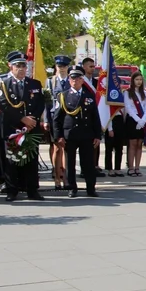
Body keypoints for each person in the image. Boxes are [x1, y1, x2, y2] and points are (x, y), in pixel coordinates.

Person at [0, 51, 46, 202]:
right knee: (12, 161)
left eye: (24, 66)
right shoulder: (3, 84)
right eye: (17, 66)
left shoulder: (34, 83)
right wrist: (22, 119)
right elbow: (3, 104)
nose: (21, 69)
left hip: (31, 127)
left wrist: (33, 120)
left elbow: (40, 103)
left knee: (31, 159)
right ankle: (12, 190)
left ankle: (32, 190)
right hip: (13, 128)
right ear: (10, 66)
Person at [52, 66, 101, 198]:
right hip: (70, 134)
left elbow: (95, 117)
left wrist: (97, 135)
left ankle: (90, 188)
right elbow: (57, 119)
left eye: (78, 78)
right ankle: (71, 187)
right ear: (69, 80)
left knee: (88, 163)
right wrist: (58, 136)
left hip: (86, 134)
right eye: (73, 78)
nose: (75, 81)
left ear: (82, 80)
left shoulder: (89, 96)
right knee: (70, 162)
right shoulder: (63, 96)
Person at [47, 55, 71, 188]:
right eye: (59, 66)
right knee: (56, 148)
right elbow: (47, 103)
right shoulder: (50, 82)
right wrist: (45, 120)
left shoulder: (71, 80)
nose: (62, 69)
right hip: (54, 118)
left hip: (68, 118)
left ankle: (66, 177)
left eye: (64, 66)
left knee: (66, 148)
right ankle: (57, 177)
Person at [81, 57, 106, 177]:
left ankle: (94, 166)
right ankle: (84, 168)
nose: (93, 68)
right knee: (84, 144)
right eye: (90, 66)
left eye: (94, 66)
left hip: (96, 114)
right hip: (84, 115)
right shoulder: (81, 81)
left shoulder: (97, 83)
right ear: (84, 67)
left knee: (96, 141)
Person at [124, 71, 146, 176]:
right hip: (132, 120)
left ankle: (137, 167)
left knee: (139, 144)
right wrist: (137, 119)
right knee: (132, 144)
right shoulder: (127, 92)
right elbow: (128, 107)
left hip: (142, 120)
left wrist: (143, 120)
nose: (139, 82)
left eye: (140, 80)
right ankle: (130, 167)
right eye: (136, 80)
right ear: (133, 80)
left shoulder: (145, 93)